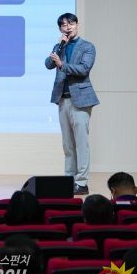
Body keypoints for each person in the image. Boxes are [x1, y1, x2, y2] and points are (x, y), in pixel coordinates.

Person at [45, 12, 99, 195]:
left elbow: (84, 69)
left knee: (81, 143)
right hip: (63, 98)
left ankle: (81, 182)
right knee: (67, 145)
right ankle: (69, 180)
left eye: (71, 24)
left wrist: (62, 64)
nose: (67, 27)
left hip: (81, 100)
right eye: (63, 25)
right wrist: (60, 47)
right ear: (60, 29)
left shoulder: (87, 46)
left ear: (77, 25)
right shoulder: (59, 46)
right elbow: (48, 64)